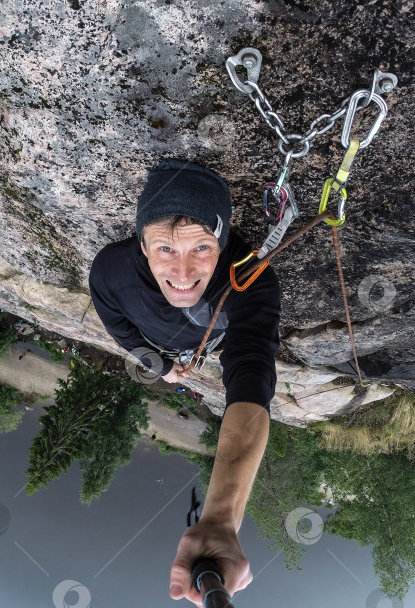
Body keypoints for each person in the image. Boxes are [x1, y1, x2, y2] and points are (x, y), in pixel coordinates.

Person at [89, 158, 281, 606]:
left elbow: (251, 373)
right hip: (169, 354)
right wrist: (160, 367)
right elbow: (120, 329)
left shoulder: (252, 280)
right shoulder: (110, 273)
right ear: (141, 245)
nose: (182, 273)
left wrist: (220, 516)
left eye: (202, 248)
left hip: (208, 343)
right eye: (165, 249)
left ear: (225, 242)